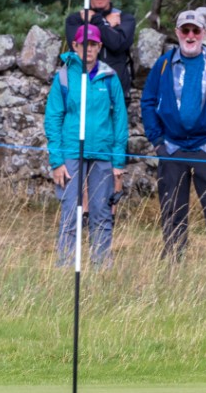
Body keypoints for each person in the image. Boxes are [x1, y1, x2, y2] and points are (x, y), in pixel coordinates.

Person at [140, 9, 206, 262]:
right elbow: (148, 101)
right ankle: (175, 264)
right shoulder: (163, 64)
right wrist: (157, 142)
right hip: (172, 149)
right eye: (185, 30)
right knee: (172, 210)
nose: (190, 35)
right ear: (177, 33)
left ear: (203, 33)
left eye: (195, 30)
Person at [44, 24, 128, 268]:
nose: (88, 49)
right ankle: (67, 270)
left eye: (93, 44)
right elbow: (53, 119)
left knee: (102, 215)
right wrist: (57, 162)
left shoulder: (110, 77)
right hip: (71, 153)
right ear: (75, 46)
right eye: (84, 44)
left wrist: (118, 162)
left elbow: (120, 120)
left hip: (102, 155)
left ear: (99, 47)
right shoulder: (64, 76)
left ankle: (101, 270)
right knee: (70, 214)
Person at [64, 0, 136, 99]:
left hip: (116, 95)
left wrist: (97, 21)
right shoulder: (74, 20)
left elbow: (116, 44)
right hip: (84, 93)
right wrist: (104, 23)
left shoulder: (125, 19)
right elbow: (78, 47)